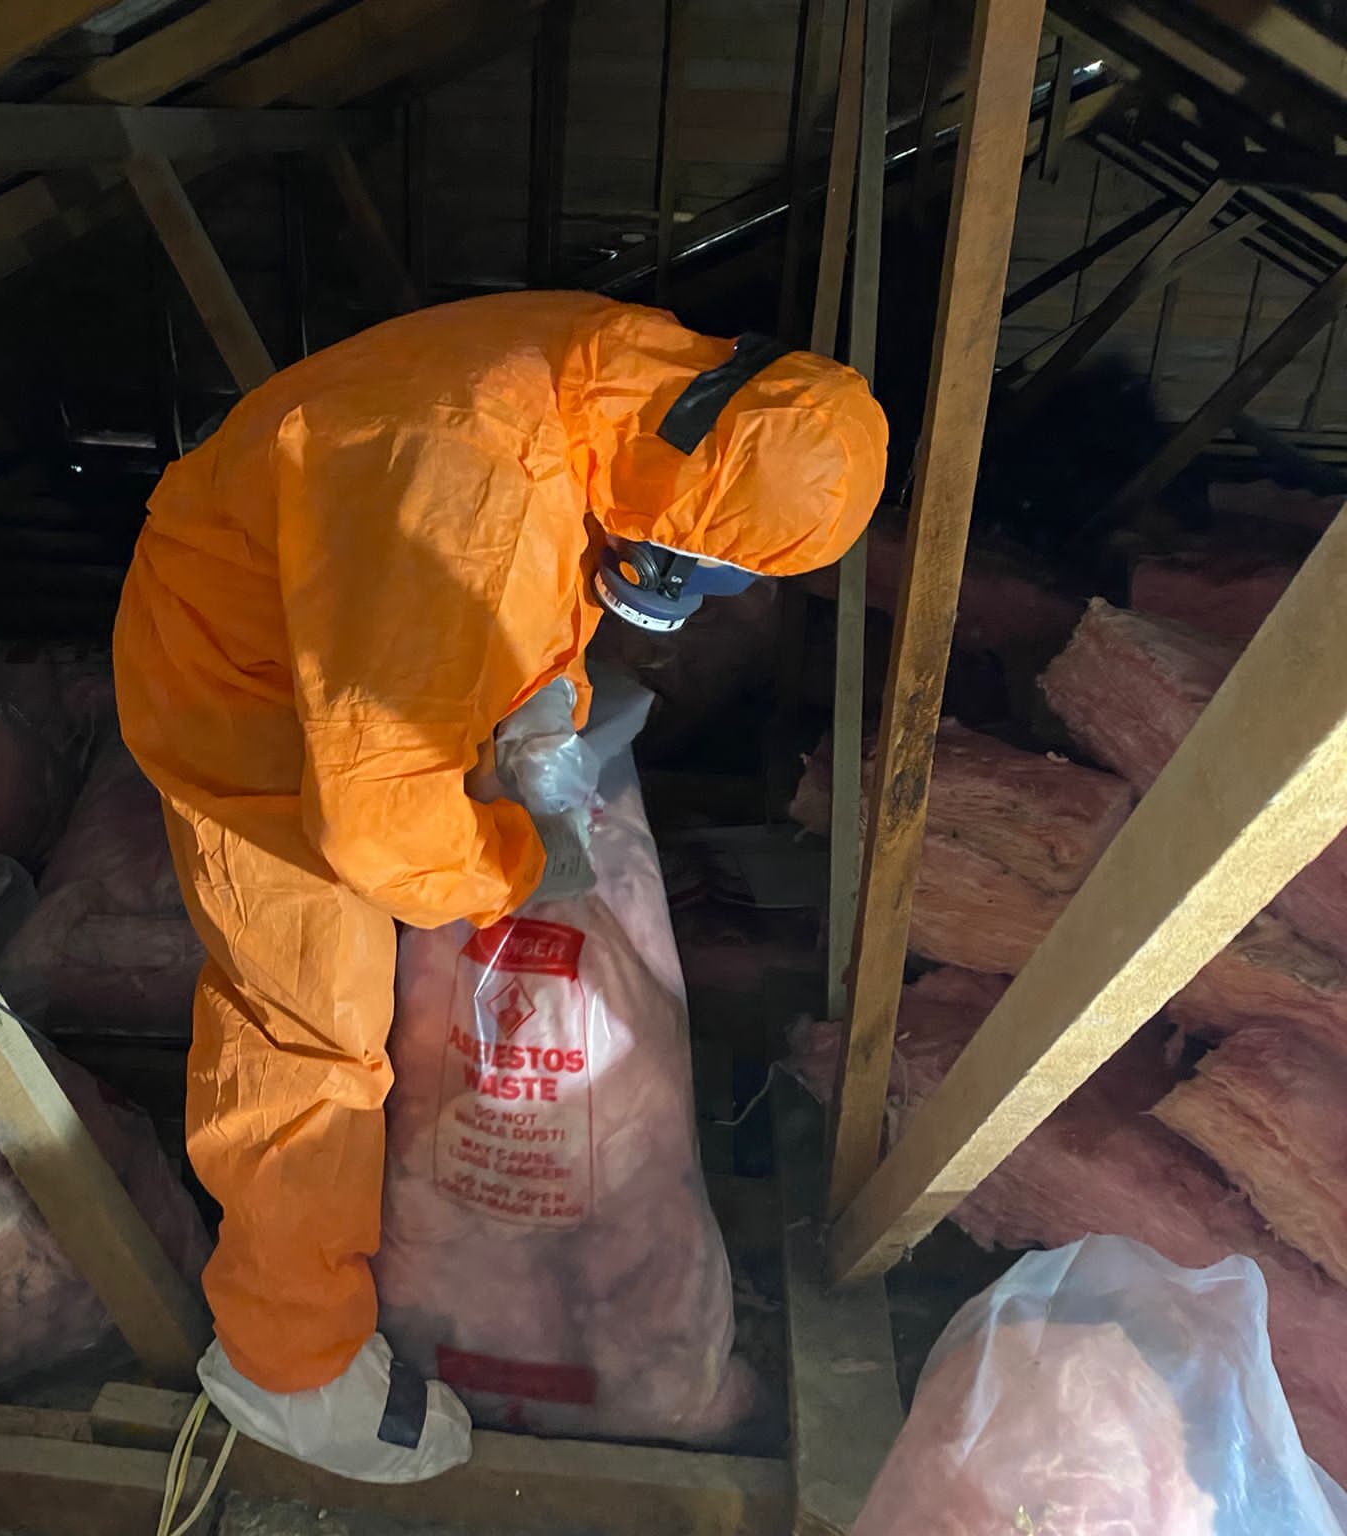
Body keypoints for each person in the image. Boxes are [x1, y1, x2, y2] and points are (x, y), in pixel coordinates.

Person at [113, 290, 886, 1482]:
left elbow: (527, 566)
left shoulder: (628, 380)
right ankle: (284, 1362)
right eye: (704, 558)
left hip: (351, 596)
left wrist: (536, 711)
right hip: (244, 670)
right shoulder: (475, 478)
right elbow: (380, 835)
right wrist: (520, 864)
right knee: (310, 1024)